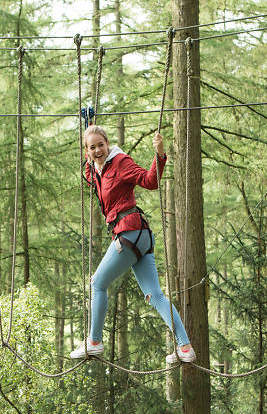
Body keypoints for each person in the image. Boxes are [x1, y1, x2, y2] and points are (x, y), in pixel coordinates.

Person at [69, 125, 195, 364]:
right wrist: (87, 129)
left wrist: (159, 156)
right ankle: (185, 347)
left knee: (97, 283)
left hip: (129, 232)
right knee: (155, 295)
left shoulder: (120, 162)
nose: (97, 150)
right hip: (138, 235)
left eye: (100, 145)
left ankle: (94, 342)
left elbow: (150, 181)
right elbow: (88, 174)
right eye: (92, 147)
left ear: (108, 144)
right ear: (87, 152)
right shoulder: (97, 172)